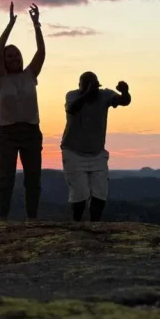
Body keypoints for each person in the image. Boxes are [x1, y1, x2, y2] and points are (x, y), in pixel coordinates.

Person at [0, 2, 45, 220]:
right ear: (4, 61)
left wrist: (36, 25)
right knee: (6, 179)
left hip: (31, 132)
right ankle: (2, 220)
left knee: (33, 179)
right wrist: (9, 25)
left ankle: (32, 220)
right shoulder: (0, 79)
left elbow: (41, 52)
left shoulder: (30, 74)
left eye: (17, 55)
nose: (15, 58)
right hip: (6, 133)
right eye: (10, 56)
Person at [61, 73, 131, 222]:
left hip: (97, 153)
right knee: (79, 194)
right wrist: (86, 94)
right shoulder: (72, 96)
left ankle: (95, 225)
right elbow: (72, 109)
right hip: (73, 152)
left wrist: (124, 92)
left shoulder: (104, 95)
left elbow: (124, 101)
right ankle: (77, 224)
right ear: (79, 85)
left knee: (100, 193)